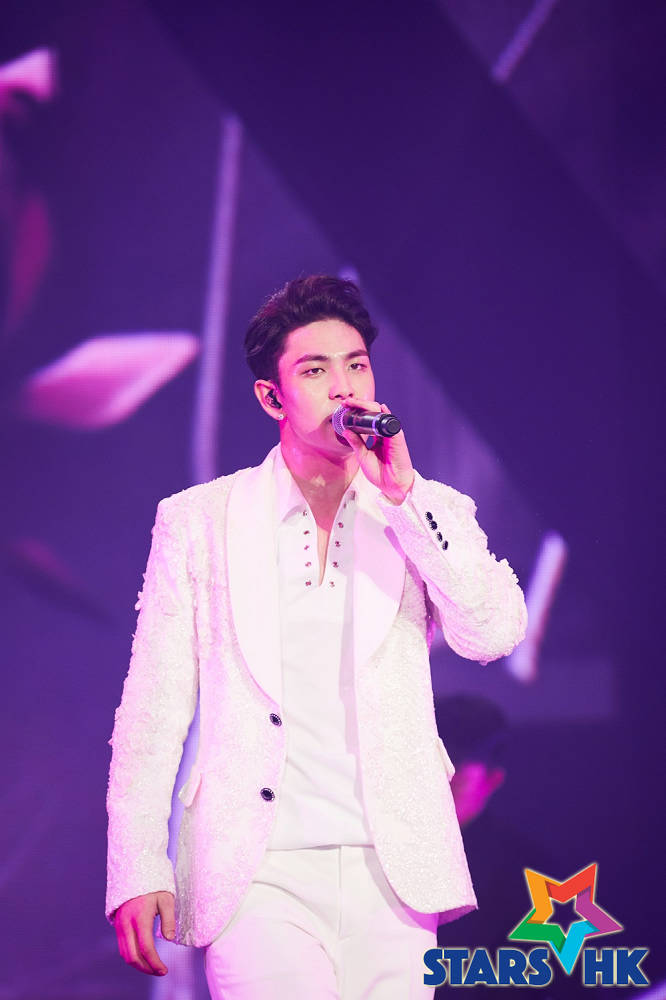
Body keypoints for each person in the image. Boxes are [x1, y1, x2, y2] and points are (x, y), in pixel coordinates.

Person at [106, 275, 528, 999]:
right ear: (272, 397)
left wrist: (405, 498)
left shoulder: (422, 510)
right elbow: (153, 710)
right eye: (315, 370)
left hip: (395, 869)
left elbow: (492, 633)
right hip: (258, 870)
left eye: (357, 364)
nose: (344, 387)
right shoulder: (200, 521)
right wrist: (137, 866)